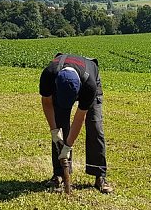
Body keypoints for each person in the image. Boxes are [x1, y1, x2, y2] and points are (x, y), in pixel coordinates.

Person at [39, 53, 114, 193]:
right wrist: (54, 131)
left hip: (89, 78)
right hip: (63, 82)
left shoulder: (89, 85)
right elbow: (47, 103)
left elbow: (79, 118)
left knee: (95, 127)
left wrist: (68, 146)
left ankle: (100, 176)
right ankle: (59, 174)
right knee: (60, 127)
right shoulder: (48, 74)